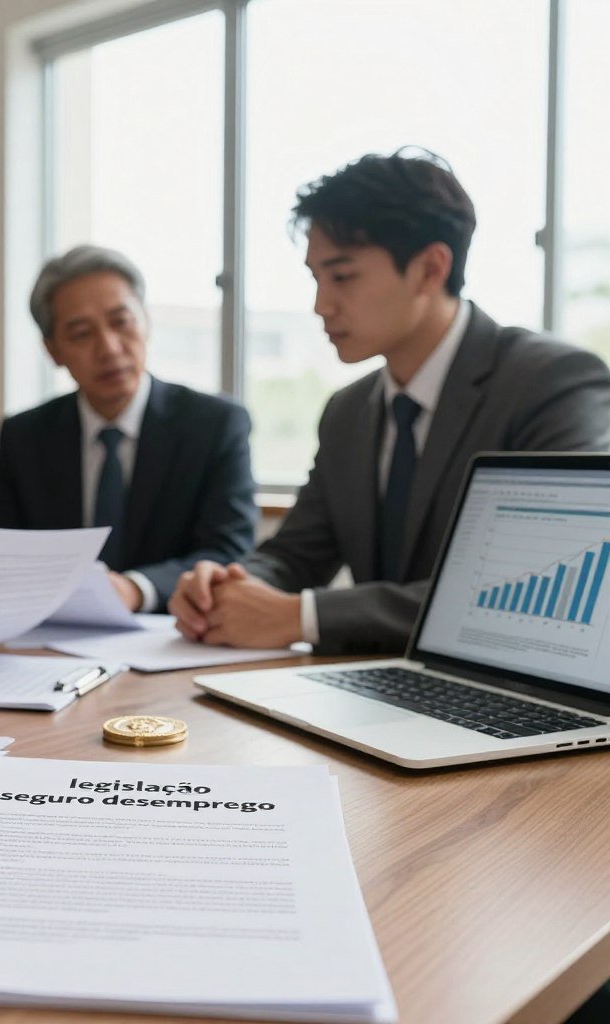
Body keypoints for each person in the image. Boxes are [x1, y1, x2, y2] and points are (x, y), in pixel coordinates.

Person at [170, 149, 610, 655]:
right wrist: (223, 585)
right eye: (315, 278)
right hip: (375, 690)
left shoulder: (551, 383)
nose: (320, 305)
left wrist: (303, 617)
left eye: (342, 276)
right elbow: (295, 556)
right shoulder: (348, 411)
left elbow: (529, 593)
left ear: (430, 268)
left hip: (508, 698)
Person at [0, 244, 258, 612]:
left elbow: (227, 549)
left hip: (172, 634)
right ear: (52, 351)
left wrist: (135, 589)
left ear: (146, 322)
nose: (108, 348)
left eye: (121, 322)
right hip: (53, 637)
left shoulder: (215, 424)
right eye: (81, 334)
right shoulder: (25, 436)